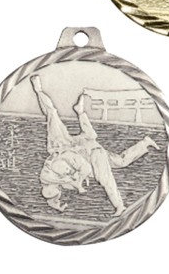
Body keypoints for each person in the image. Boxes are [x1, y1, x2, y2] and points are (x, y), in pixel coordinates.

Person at [31, 75, 160, 216]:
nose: (60, 192)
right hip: (76, 148)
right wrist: (61, 201)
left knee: (105, 179)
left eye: (58, 193)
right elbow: (55, 194)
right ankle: (145, 142)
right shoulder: (53, 178)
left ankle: (119, 206)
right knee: (120, 160)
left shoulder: (57, 168)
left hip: (89, 153)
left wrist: (80, 182)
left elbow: (84, 167)